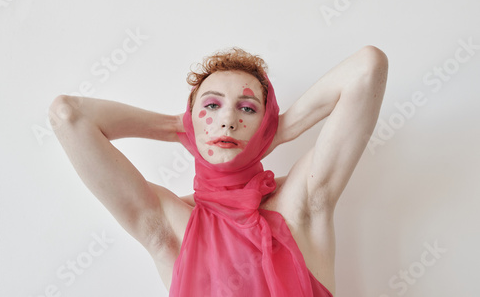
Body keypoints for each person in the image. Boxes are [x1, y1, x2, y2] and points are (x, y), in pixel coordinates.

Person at [49, 46, 388, 296]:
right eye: (211, 105)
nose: (228, 119)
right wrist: (174, 127)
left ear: (265, 123)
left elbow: (367, 68)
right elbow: (68, 115)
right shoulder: (170, 223)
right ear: (191, 119)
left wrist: (281, 130)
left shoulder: (301, 203)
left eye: (248, 108)